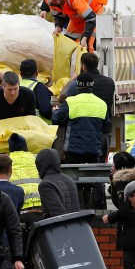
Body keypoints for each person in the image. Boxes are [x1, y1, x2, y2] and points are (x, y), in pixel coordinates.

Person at [27, 148, 79, 269]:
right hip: (74, 232)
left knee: (44, 263)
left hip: (57, 233)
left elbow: (57, 213)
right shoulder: (68, 180)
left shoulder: (46, 184)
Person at [53, 73, 110, 209]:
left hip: (74, 151)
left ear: (77, 86)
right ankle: (91, 210)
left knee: (74, 182)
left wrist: (55, 110)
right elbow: (106, 127)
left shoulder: (71, 102)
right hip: (94, 151)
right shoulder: (101, 104)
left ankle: (77, 210)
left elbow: (57, 119)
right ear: (92, 87)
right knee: (91, 182)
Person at [102, 152, 135, 269]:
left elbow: (123, 208)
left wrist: (109, 217)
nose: (112, 167)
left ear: (119, 167)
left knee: (129, 267)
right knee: (132, 265)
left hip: (131, 230)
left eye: (114, 164)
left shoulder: (123, 182)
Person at [44, 0, 108, 51]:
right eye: (54, 0)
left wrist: (85, 37)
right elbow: (58, 15)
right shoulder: (48, 0)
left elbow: (91, 19)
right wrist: (58, 26)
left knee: (88, 44)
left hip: (94, 9)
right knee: (68, 42)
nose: (58, 2)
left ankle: (90, 59)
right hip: (77, 15)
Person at [18, 59, 53, 123]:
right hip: (38, 127)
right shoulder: (39, 87)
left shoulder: (15, 87)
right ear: (37, 73)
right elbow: (46, 111)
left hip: (20, 126)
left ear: (20, 74)